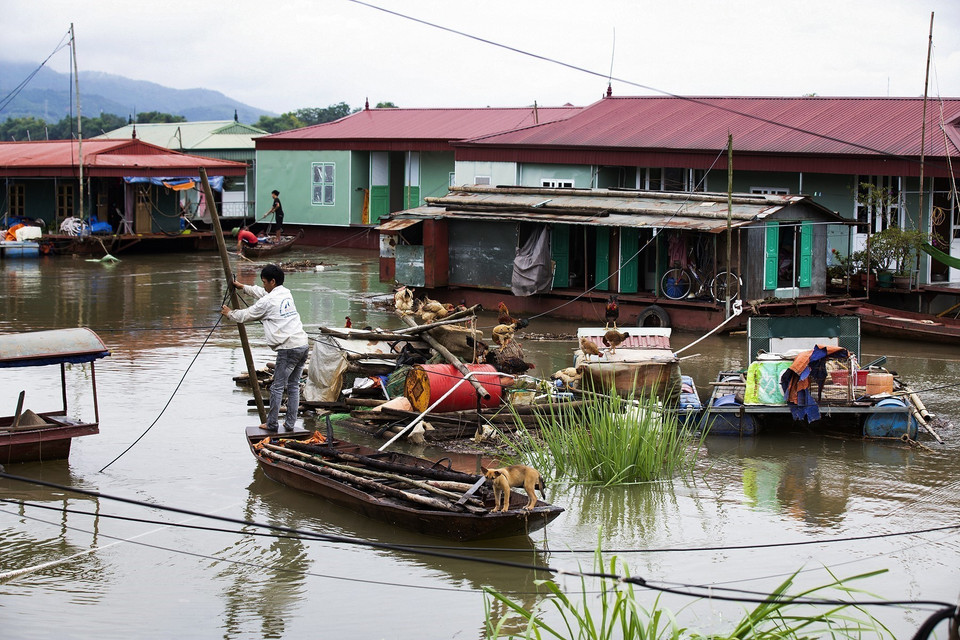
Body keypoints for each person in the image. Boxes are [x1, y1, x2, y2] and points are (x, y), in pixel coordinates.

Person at [221, 264, 309, 432]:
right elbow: (263, 294)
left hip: (288, 348)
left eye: (264, 282)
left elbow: (246, 315)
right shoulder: (285, 293)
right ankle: (290, 424)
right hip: (302, 345)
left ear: (272, 281)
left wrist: (229, 313)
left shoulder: (268, 301)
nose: (263, 285)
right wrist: (243, 287)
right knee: (293, 386)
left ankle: (272, 424)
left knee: (277, 387)